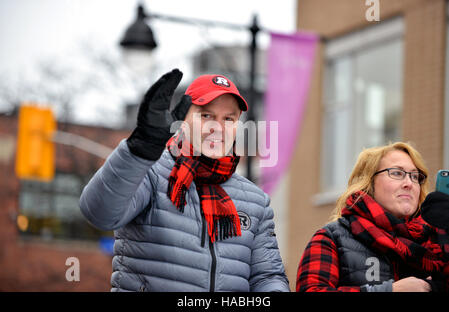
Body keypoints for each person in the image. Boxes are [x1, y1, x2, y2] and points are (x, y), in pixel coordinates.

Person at [79, 69, 289, 292]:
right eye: (206, 115)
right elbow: (98, 213)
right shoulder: (148, 172)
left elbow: (267, 277)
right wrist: (138, 150)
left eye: (228, 119)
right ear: (182, 120)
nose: (217, 128)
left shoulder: (255, 201)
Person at [296, 142, 449, 292]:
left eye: (415, 176)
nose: (409, 183)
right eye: (397, 173)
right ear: (369, 182)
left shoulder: (435, 238)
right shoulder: (331, 238)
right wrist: (390, 290)